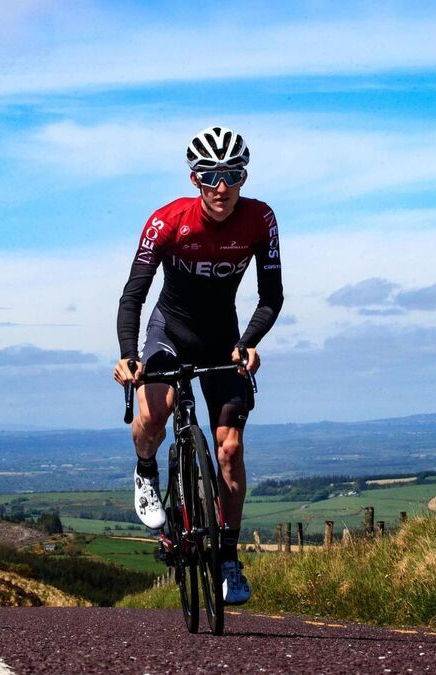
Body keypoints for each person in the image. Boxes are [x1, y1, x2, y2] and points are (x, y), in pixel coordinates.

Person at [113, 125, 283, 605]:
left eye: (232, 175)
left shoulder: (260, 219)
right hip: (170, 331)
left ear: (244, 177)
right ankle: (146, 470)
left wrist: (248, 344)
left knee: (230, 449)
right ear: (195, 179)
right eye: (210, 176)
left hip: (223, 340)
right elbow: (133, 295)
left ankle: (228, 556)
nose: (221, 186)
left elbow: (271, 297)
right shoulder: (167, 221)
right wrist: (128, 354)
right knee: (154, 413)